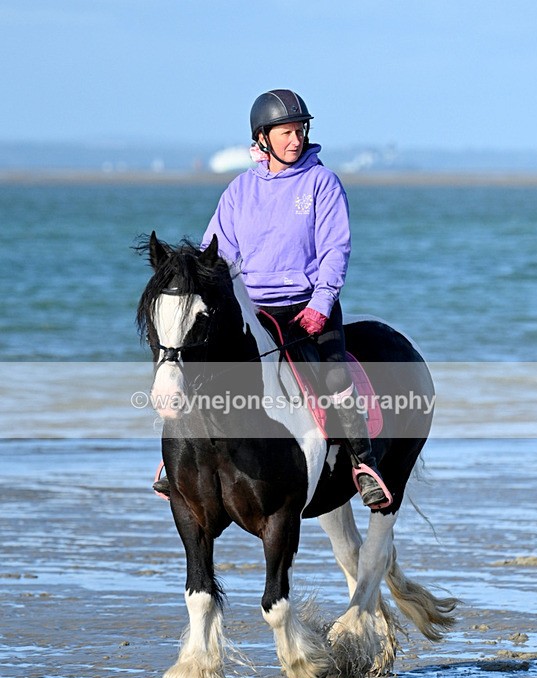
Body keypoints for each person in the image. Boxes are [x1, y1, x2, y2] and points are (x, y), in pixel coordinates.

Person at [156, 89, 388, 508]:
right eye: (286, 132)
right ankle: (177, 466)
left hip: (307, 307)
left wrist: (322, 303)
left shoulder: (322, 183)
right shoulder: (240, 191)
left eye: (300, 130)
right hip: (254, 308)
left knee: (335, 378)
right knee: (198, 364)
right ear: (262, 137)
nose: (295, 139)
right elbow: (216, 255)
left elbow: (336, 249)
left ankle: (363, 464)